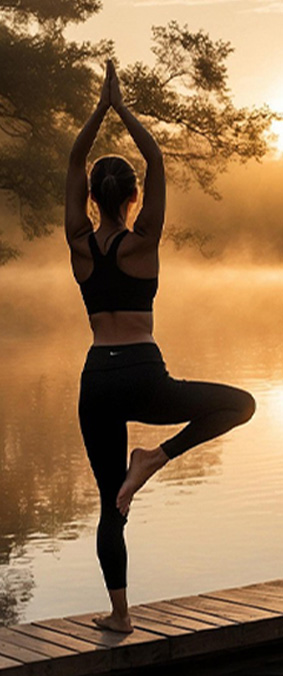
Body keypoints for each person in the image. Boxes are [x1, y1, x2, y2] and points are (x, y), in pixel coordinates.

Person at [65, 60, 255, 634]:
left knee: (108, 502)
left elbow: (75, 162)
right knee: (240, 404)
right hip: (145, 375)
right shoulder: (142, 243)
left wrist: (98, 109)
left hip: (97, 377)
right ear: (134, 197)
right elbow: (158, 161)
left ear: (93, 196)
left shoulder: (79, 244)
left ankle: (120, 615)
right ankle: (153, 460)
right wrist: (123, 107)